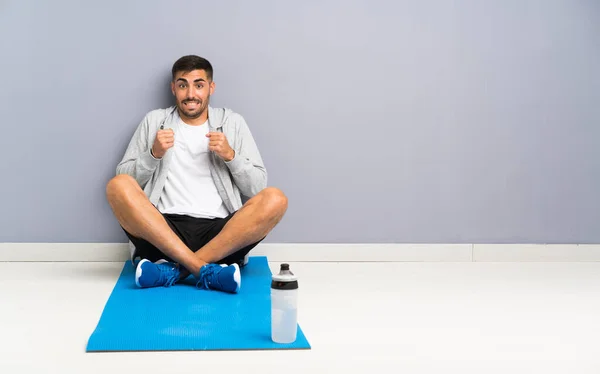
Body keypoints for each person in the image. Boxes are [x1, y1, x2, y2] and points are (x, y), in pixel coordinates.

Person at [105, 55, 288, 294]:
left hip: (220, 235)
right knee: (117, 185)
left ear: (210, 87)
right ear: (174, 88)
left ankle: (173, 271)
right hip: (163, 231)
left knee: (276, 198)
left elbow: (257, 187)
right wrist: (153, 154)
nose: (191, 94)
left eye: (199, 85)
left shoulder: (232, 122)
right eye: (183, 85)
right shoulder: (154, 121)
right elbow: (125, 180)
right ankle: (205, 270)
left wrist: (231, 156)